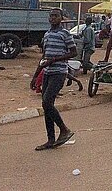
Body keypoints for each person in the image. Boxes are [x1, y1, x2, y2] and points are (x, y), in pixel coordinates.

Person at [31, 8, 76, 151]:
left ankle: (64, 129)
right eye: (51, 16)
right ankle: (50, 139)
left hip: (59, 72)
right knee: (46, 105)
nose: (53, 18)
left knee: (47, 101)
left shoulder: (65, 34)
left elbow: (73, 52)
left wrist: (55, 60)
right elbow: (44, 56)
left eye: (56, 16)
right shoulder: (47, 34)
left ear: (62, 18)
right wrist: (35, 76)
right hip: (47, 72)